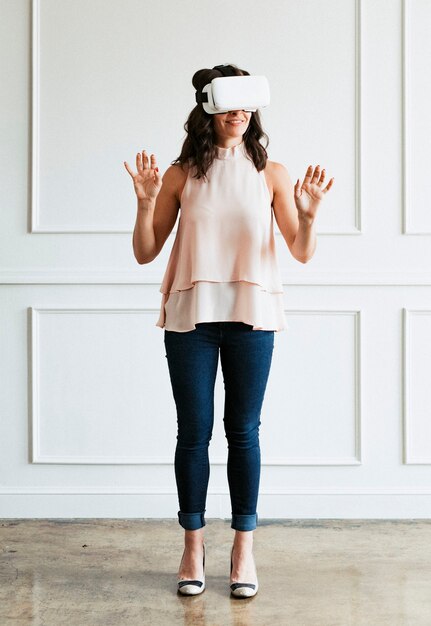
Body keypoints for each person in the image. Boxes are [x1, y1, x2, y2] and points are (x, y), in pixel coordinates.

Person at [124, 63, 334, 598]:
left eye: (248, 103)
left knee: (243, 432)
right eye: (229, 102)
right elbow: (147, 252)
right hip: (190, 318)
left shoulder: (273, 174)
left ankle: (243, 548)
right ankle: (192, 546)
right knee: (193, 433)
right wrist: (146, 203)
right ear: (209, 107)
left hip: (251, 317)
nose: (240, 112)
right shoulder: (179, 175)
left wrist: (308, 217)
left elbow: (301, 252)